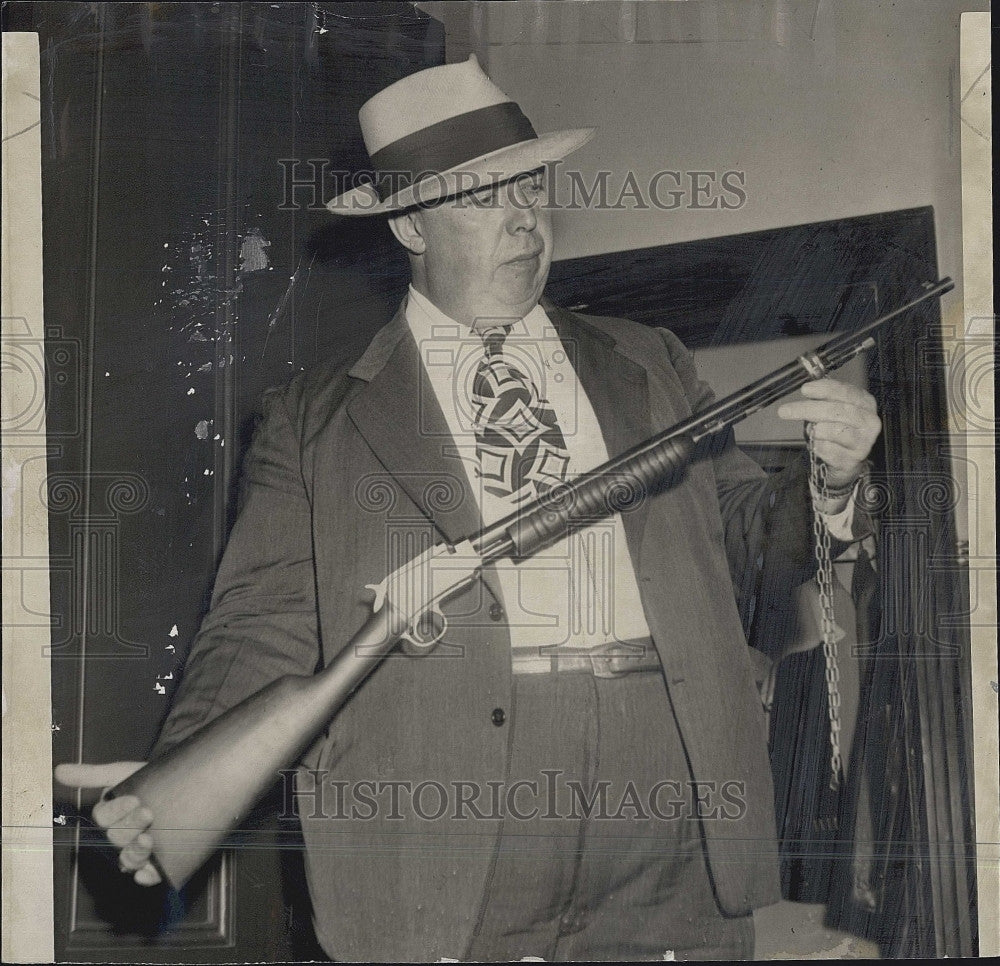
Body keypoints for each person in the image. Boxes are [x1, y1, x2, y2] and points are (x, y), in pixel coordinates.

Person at [56, 55, 881, 962]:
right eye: (483, 198)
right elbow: (260, 624)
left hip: (671, 779)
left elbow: (751, 541)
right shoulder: (313, 420)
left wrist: (830, 486)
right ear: (409, 223)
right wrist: (173, 770)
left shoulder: (651, 358)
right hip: (446, 805)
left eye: (531, 186)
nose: (525, 220)